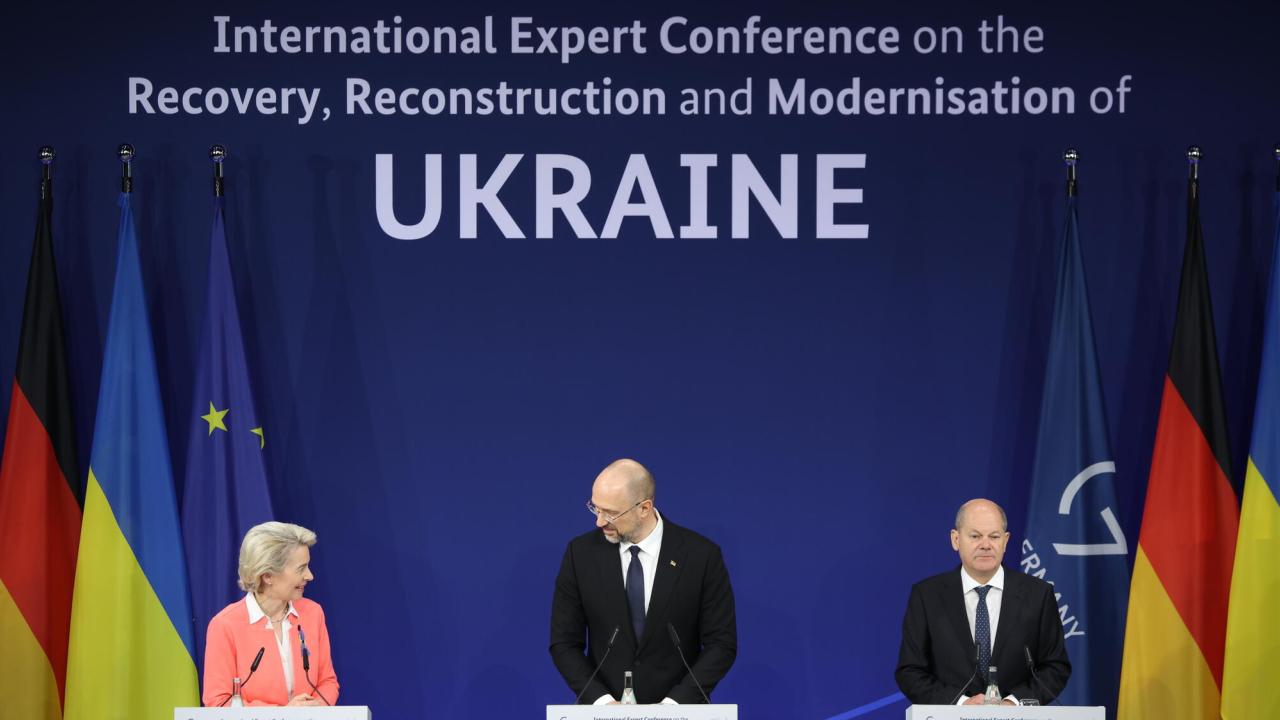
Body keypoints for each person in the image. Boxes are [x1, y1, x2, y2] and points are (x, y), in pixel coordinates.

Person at [550, 458, 737, 704]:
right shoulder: (580, 554)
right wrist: (603, 702)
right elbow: (564, 643)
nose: (599, 521)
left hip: (681, 712)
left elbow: (721, 644)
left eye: (611, 513)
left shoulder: (700, 556)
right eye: (595, 508)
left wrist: (673, 705)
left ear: (644, 508)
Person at [895, 499, 1070, 706]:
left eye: (994, 536)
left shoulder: (1038, 594)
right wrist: (960, 704)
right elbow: (910, 671)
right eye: (975, 536)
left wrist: (1014, 702)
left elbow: (1055, 666)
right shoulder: (927, 595)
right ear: (956, 539)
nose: (985, 545)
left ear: (1005, 541)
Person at [202, 521, 340, 707]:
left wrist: (315, 708)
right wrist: (283, 715)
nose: (309, 576)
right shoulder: (225, 625)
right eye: (301, 568)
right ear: (267, 576)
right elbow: (219, 701)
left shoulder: (313, 613)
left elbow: (328, 682)